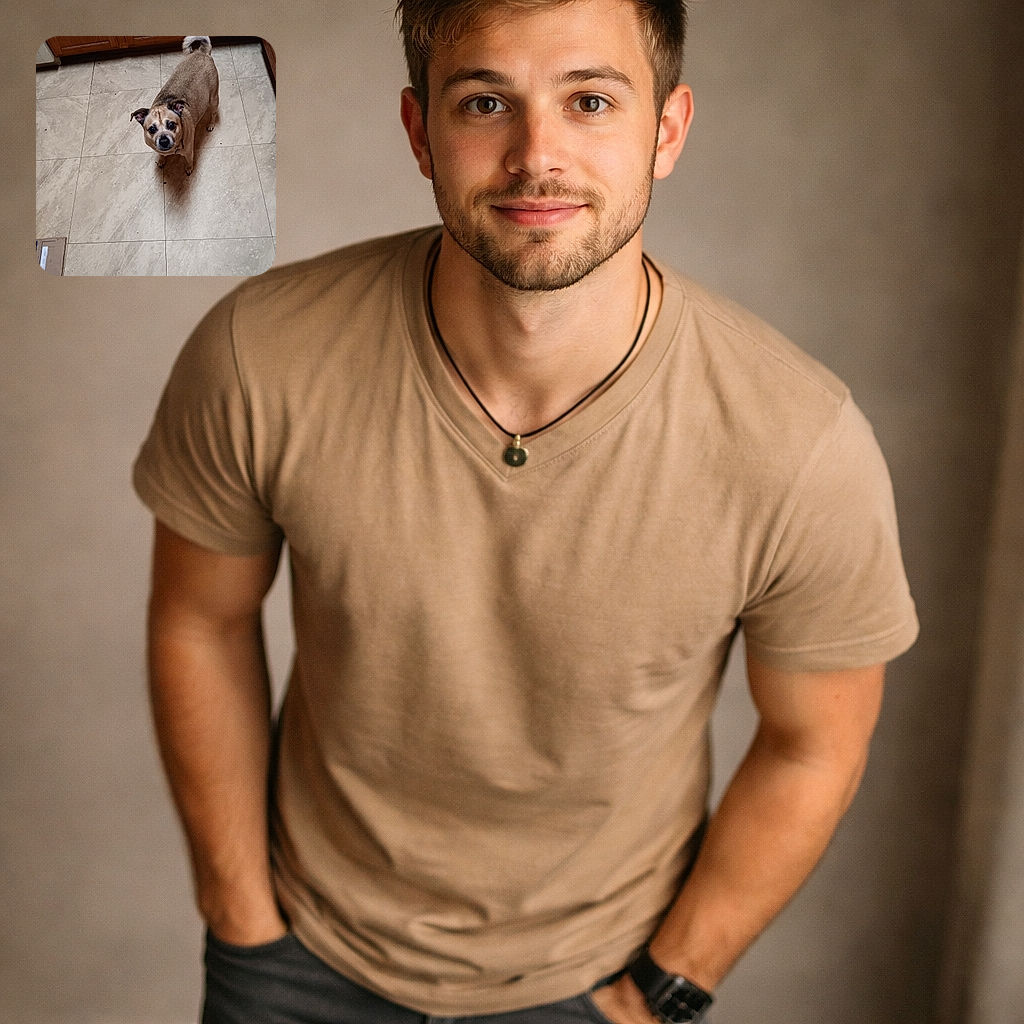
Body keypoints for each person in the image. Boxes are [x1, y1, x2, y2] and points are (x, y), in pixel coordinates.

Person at [134, 1, 919, 1022]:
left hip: (593, 984)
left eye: (589, 100)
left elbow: (816, 743)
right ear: (420, 132)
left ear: (667, 130)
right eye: (485, 101)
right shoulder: (261, 355)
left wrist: (663, 990)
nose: (534, 154)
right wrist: (240, 917)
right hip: (294, 957)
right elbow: (202, 616)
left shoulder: (799, 443)